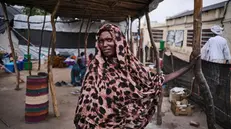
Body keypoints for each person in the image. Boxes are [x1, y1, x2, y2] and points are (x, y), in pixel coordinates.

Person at [74, 24, 198, 128]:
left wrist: (187, 67)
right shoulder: (95, 68)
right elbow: (85, 102)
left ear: (118, 41)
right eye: (101, 41)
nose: (105, 44)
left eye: (109, 40)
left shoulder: (132, 66)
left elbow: (156, 81)